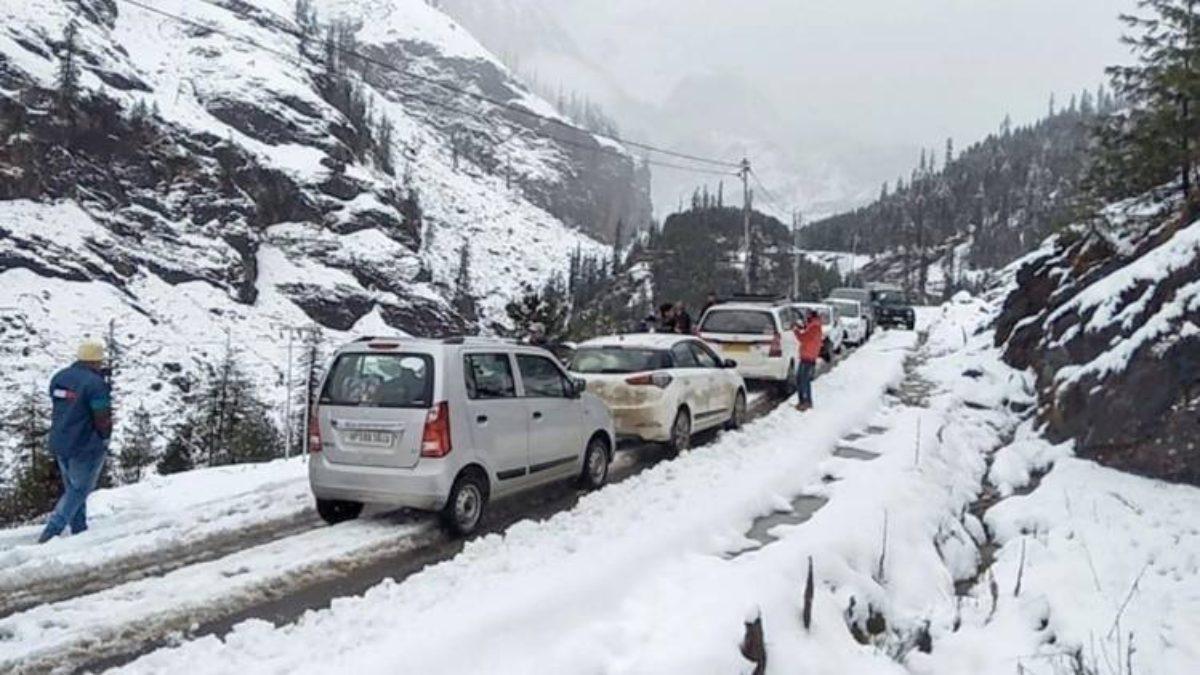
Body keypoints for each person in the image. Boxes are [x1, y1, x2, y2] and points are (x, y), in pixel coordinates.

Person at [39, 340, 113, 543]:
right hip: (85, 445)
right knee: (80, 490)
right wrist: (105, 437)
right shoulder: (96, 385)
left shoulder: (60, 378)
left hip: (60, 441)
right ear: (97, 360)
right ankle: (52, 531)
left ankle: (79, 530)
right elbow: (102, 417)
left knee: (73, 488)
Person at [792, 310, 823, 411]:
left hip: (808, 356)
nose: (806, 317)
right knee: (802, 379)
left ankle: (806, 401)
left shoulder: (814, 327)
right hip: (808, 355)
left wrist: (796, 331)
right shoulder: (814, 325)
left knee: (803, 380)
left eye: (807, 316)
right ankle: (803, 401)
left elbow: (803, 338)